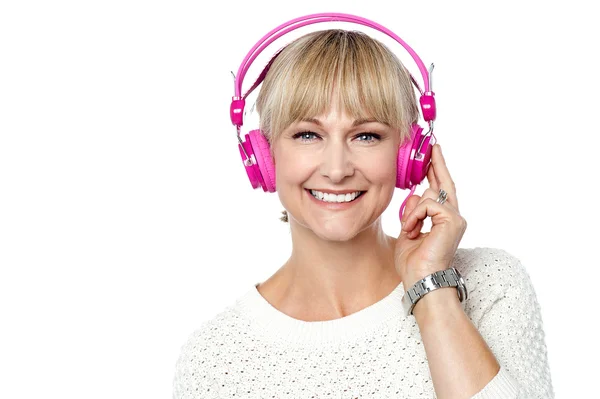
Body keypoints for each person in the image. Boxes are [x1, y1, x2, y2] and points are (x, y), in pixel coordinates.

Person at [173, 13, 554, 399]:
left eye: (367, 135)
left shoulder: (489, 284)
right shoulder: (213, 362)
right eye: (307, 134)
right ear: (264, 156)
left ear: (409, 157)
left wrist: (430, 289)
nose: (337, 170)